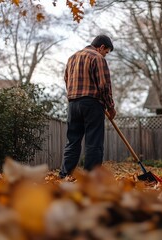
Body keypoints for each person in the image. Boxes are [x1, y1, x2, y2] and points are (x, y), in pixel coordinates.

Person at [59, 35, 116, 178]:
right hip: (92, 104)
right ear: (101, 47)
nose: (105, 55)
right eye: (106, 52)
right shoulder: (97, 58)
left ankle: (64, 176)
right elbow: (104, 86)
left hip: (73, 104)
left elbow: (67, 81)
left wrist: (74, 97)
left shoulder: (72, 58)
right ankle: (91, 179)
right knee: (94, 142)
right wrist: (110, 106)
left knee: (72, 142)